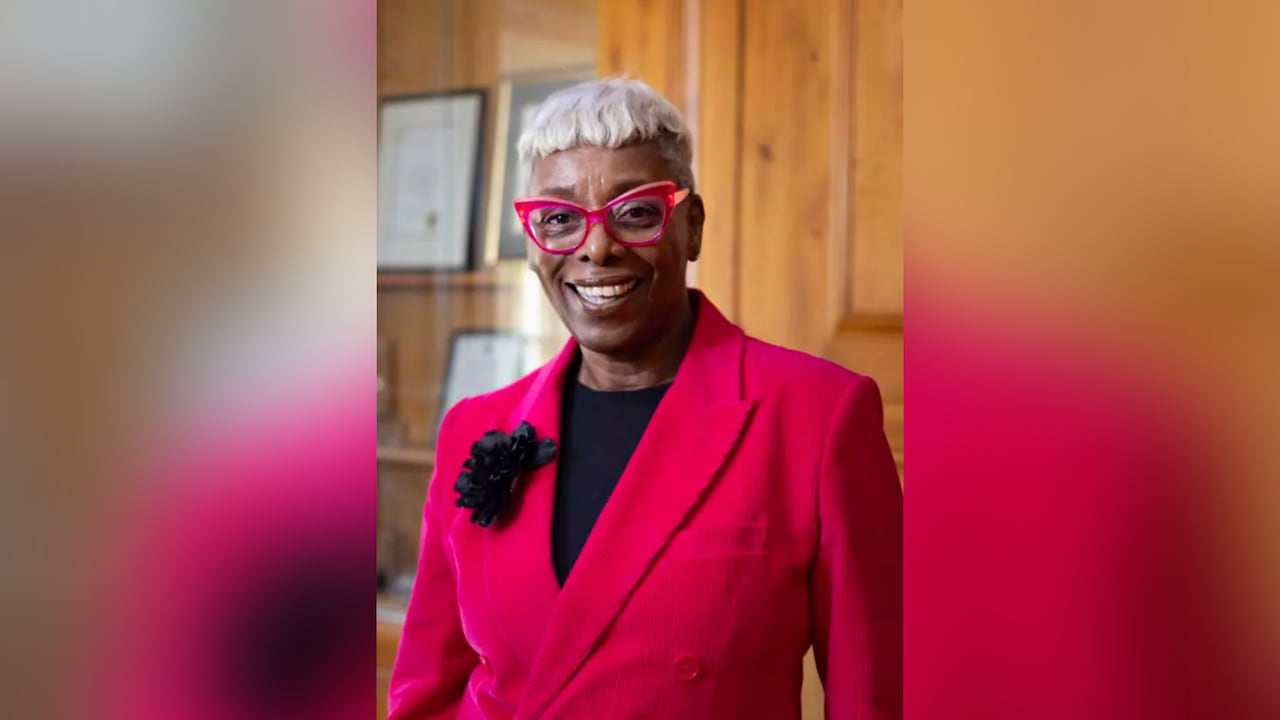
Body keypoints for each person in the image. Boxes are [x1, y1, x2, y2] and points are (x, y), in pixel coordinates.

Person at [388, 78, 902, 720]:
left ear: (691, 227)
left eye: (635, 212)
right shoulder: (475, 427)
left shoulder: (820, 416)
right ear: (532, 242)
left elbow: (877, 696)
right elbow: (426, 690)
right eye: (558, 219)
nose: (596, 248)